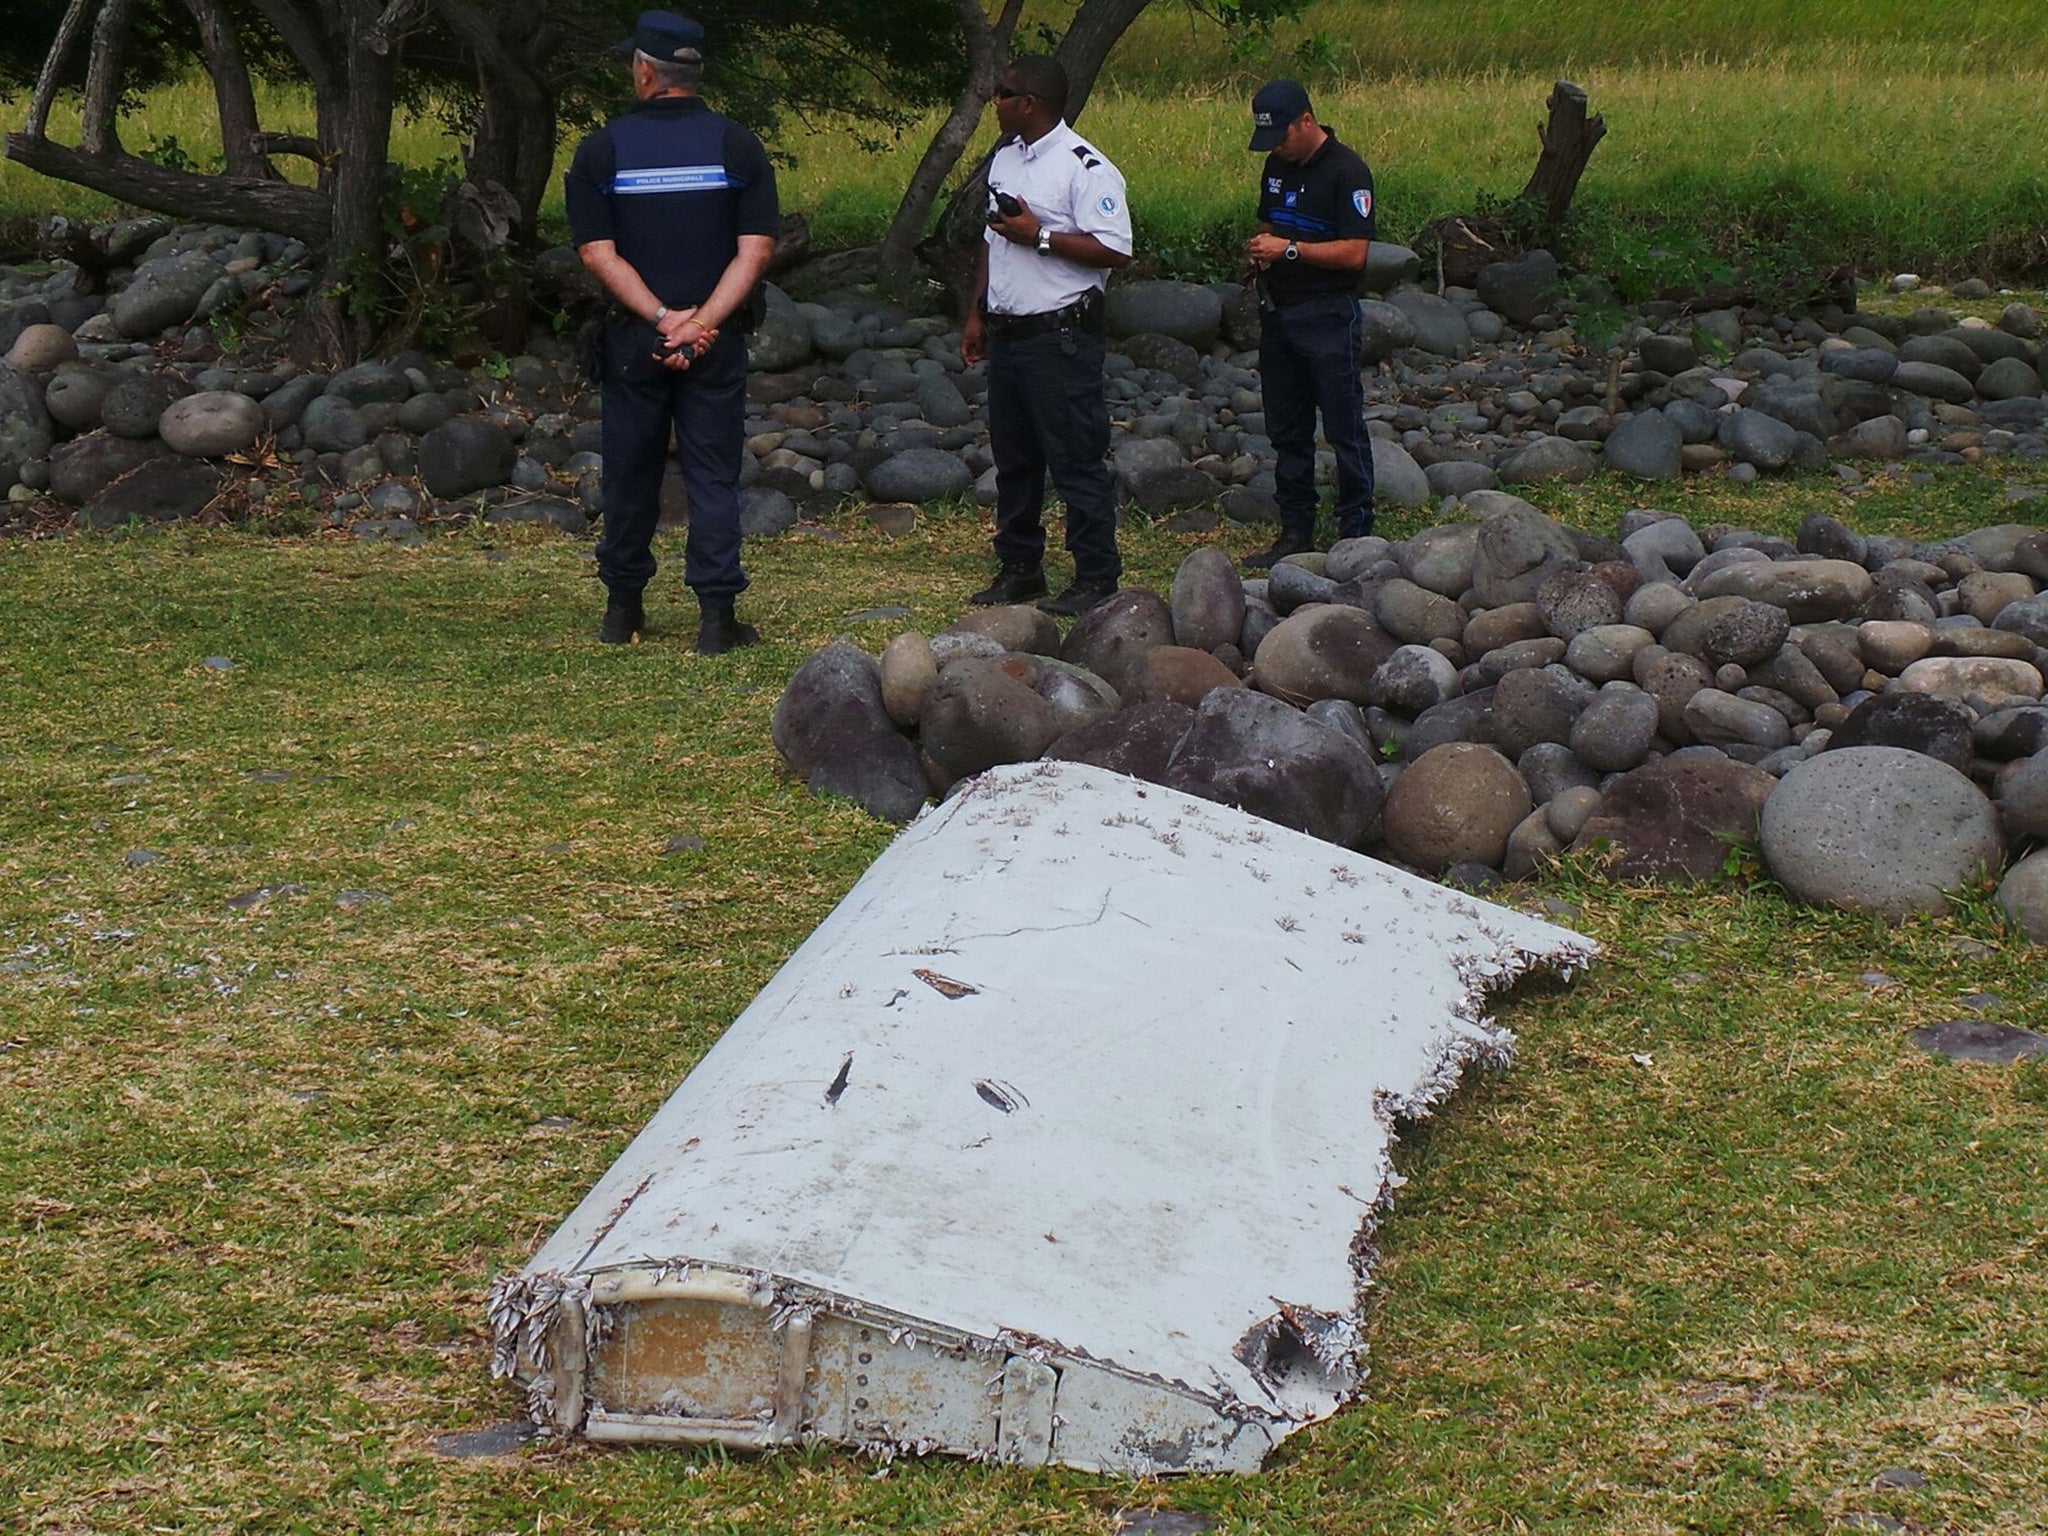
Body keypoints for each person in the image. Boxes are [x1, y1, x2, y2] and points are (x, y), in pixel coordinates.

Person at [563, 11, 778, 652]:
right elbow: (757, 249)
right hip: (715, 340)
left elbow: (598, 254)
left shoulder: (602, 149)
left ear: (646, 70)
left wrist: (662, 320)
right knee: (713, 475)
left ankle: (622, 611)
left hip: (635, 338)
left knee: (630, 471)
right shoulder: (737, 146)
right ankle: (717, 619)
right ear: (696, 72)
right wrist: (703, 324)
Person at [960, 56, 1132, 618]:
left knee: (1076, 458)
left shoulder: (1085, 168)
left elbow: (1115, 250)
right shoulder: (1005, 158)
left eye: (1001, 93)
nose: (994, 101)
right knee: (1014, 459)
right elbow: (992, 239)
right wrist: (977, 311)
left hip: (1059, 335)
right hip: (1009, 330)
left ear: (1029, 102)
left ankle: (1095, 575)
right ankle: (1020, 567)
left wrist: (1042, 237)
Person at [1241, 78, 1376, 570]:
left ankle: (1356, 529)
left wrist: (1291, 250)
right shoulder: (1276, 166)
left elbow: (1355, 252)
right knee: (1286, 427)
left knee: (1343, 426)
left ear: (1306, 120)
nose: (1276, 147)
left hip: (1327, 313)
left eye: (1282, 135)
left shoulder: (1348, 171)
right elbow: (1269, 224)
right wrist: (1263, 249)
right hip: (1278, 310)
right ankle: (1295, 528)